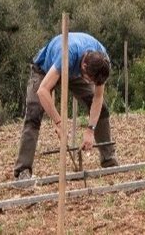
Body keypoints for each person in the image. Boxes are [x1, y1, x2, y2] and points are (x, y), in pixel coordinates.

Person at [14, 32, 119, 181]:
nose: (91, 83)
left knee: (102, 110)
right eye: (90, 80)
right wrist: (58, 122)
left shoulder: (102, 61)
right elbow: (43, 91)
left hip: (75, 73)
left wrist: (90, 130)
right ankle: (22, 171)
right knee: (33, 114)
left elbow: (98, 97)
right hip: (44, 71)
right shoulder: (68, 54)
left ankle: (109, 162)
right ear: (84, 65)